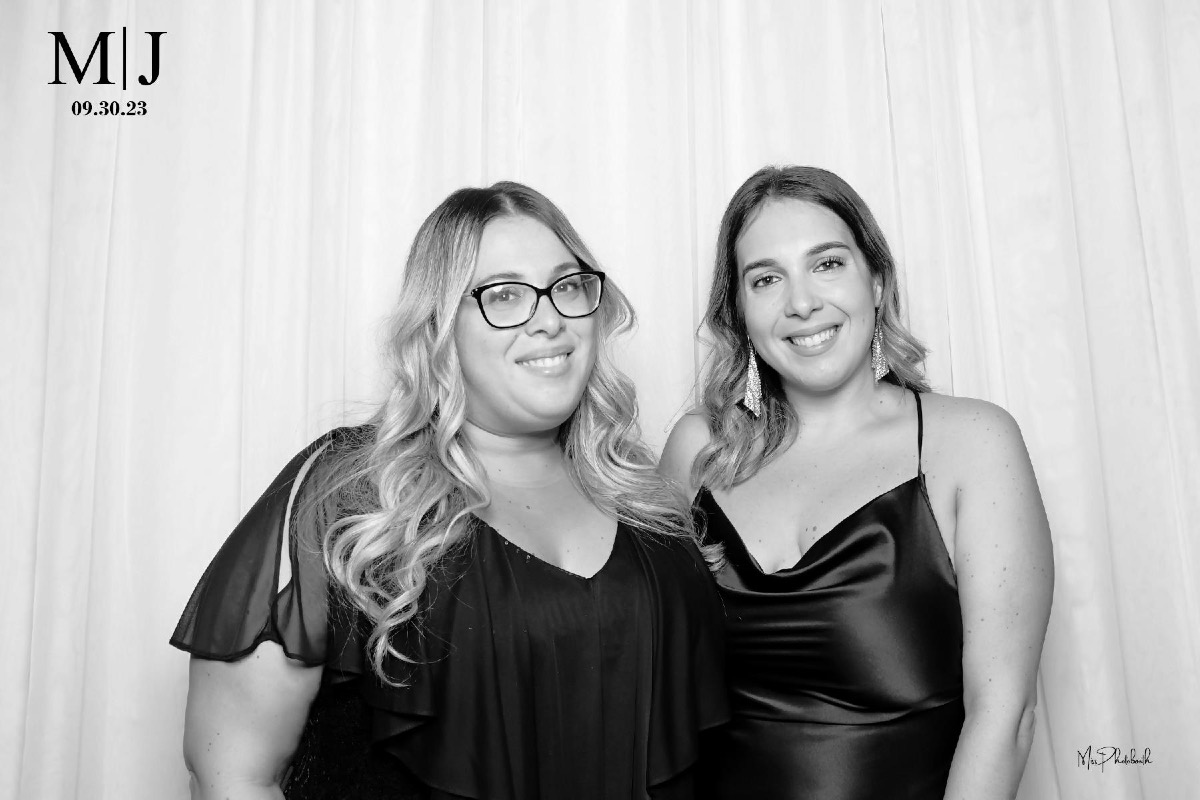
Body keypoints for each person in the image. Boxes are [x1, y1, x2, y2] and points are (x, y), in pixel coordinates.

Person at [172, 181, 728, 800]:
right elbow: (232, 774)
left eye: (568, 286)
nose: (549, 320)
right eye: (505, 295)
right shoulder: (350, 496)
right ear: (439, 324)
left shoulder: (648, 506)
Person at [661, 166, 1053, 800]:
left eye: (827, 264)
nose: (801, 303)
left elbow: (1005, 716)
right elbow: (641, 674)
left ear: (876, 280)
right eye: (766, 279)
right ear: (739, 311)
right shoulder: (699, 450)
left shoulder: (971, 443)